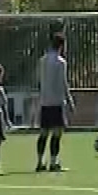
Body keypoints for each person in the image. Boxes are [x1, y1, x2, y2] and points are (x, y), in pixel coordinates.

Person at [35, 32, 73, 172]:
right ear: (62, 46)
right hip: (57, 102)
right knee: (57, 133)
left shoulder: (42, 60)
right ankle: (53, 162)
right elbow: (63, 83)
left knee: (44, 133)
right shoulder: (61, 62)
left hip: (45, 101)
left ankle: (39, 162)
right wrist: (69, 100)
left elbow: (40, 80)